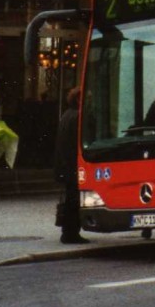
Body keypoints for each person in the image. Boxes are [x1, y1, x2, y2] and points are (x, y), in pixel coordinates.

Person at [54, 87, 87, 244]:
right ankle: (71, 232)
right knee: (74, 200)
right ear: (79, 100)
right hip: (73, 165)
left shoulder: (67, 115)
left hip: (65, 164)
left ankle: (68, 231)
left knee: (70, 198)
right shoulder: (79, 117)